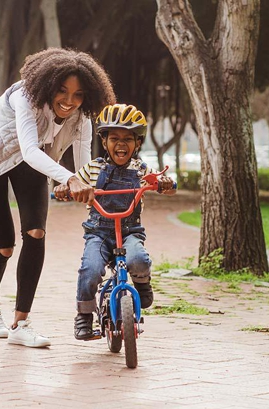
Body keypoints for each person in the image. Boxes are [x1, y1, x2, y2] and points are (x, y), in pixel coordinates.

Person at [0, 48, 116, 347]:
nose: (69, 101)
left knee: (36, 232)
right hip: (8, 157)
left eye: (78, 95)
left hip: (30, 163)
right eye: (62, 91)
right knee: (4, 245)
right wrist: (67, 178)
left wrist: (84, 186)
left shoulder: (82, 119)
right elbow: (29, 149)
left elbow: (83, 166)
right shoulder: (23, 97)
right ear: (47, 86)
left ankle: (20, 323)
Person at [54, 104, 176, 340]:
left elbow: (162, 184)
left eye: (128, 138)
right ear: (104, 140)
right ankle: (85, 316)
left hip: (130, 231)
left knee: (138, 259)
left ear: (137, 143)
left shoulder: (141, 170)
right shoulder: (93, 168)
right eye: (115, 138)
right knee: (89, 270)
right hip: (99, 232)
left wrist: (166, 184)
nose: (121, 144)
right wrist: (64, 188)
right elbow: (74, 184)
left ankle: (141, 284)